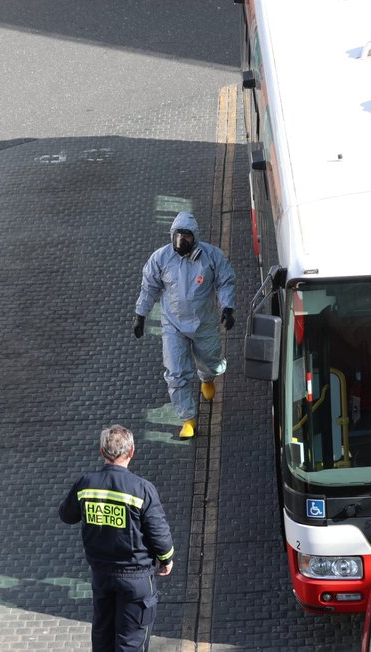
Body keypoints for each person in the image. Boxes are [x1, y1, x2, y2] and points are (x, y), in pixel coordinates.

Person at [59, 425, 175, 652]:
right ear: (131, 452)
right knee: (131, 640)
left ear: (102, 452)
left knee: (103, 636)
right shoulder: (142, 489)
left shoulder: (86, 484)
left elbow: (67, 515)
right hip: (137, 578)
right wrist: (166, 558)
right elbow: (159, 533)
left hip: (101, 574)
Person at [133, 211, 236, 439]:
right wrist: (140, 314)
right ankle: (187, 419)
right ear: (172, 236)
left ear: (194, 237)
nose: (181, 242)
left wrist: (228, 307)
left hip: (204, 323)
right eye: (178, 237)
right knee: (176, 373)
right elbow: (149, 287)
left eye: (186, 237)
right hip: (173, 325)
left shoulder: (212, 257)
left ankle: (207, 377)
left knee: (212, 363)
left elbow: (225, 281)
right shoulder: (160, 259)